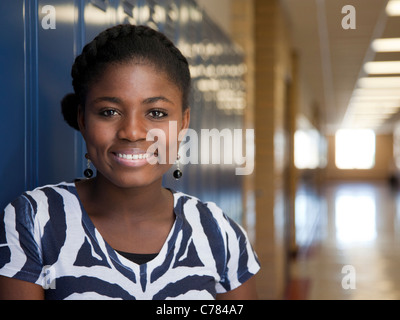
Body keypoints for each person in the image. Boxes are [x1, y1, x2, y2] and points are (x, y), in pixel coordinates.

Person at [0, 24, 260, 300]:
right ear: (82, 119)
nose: (132, 132)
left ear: (183, 123)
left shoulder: (220, 234)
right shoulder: (34, 221)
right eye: (109, 111)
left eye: (157, 113)